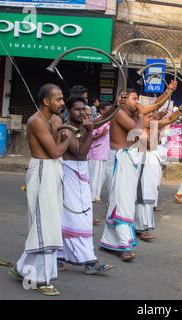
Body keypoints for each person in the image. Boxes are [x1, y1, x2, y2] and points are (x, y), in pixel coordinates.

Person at [99, 81, 177, 261]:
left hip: (130, 158)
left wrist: (168, 91)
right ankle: (125, 243)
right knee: (122, 201)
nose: (137, 102)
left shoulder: (132, 110)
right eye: (134, 99)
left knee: (121, 199)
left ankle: (108, 241)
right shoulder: (118, 112)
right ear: (124, 99)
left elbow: (155, 105)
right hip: (120, 159)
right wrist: (141, 115)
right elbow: (137, 132)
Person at [8, 83, 73, 296]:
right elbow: (55, 151)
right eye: (58, 99)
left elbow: (58, 141)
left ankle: (23, 268)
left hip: (54, 171)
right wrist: (69, 139)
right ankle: (41, 278)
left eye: (62, 99)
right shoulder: (36, 121)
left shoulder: (55, 119)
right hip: (42, 170)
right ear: (46, 101)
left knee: (49, 223)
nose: (62, 103)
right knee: (44, 225)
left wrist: (67, 132)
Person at [57, 95, 113, 275]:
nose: (82, 113)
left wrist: (117, 104)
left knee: (78, 219)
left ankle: (62, 257)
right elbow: (81, 153)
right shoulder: (67, 130)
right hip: (70, 175)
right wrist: (89, 132)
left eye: (84, 109)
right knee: (75, 219)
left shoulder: (82, 126)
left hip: (81, 177)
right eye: (77, 109)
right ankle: (89, 261)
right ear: (68, 111)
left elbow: (104, 118)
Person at [135, 102, 182, 241]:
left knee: (150, 194)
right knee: (142, 195)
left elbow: (169, 119)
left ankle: (144, 226)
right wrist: (156, 125)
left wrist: (180, 109)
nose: (152, 118)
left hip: (152, 161)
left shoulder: (152, 125)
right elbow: (149, 144)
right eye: (149, 116)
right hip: (143, 161)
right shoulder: (139, 128)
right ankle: (141, 227)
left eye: (152, 116)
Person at [88, 101, 111, 205]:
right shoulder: (97, 120)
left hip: (105, 152)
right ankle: (93, 196)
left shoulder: (108, 121)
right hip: (97, 152)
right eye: (107, 109)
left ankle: (96, 194)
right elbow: (91, 137)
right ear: (101, 111)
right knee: (95, 175)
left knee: (101, 176)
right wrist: (101, 135)